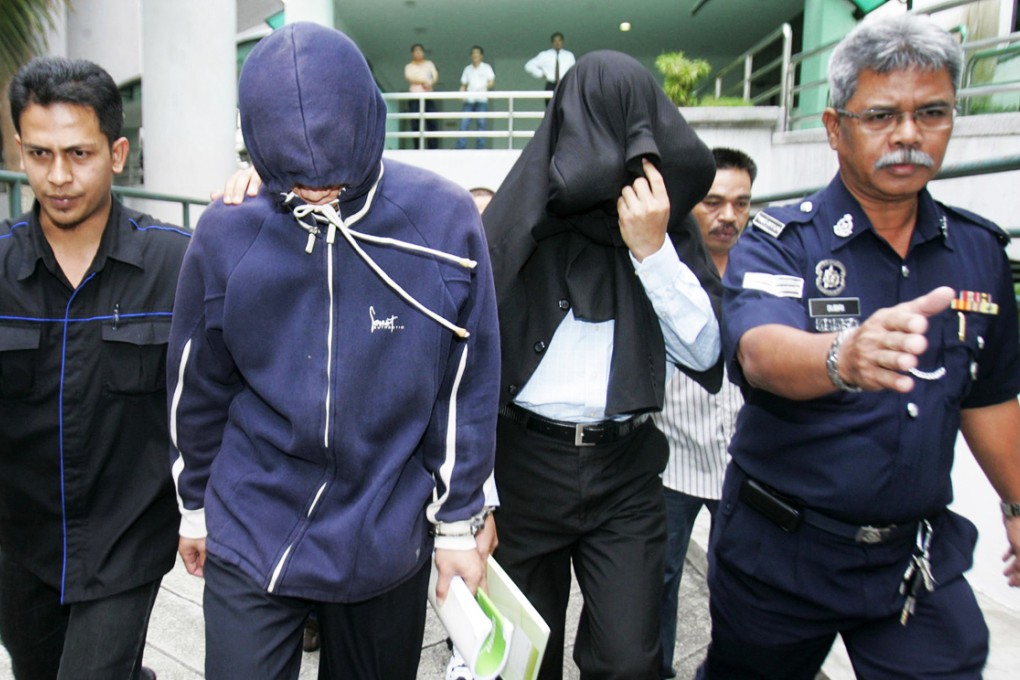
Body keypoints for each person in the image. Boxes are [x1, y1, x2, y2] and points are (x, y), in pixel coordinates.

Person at [700, 14, 1020, 679]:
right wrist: (841, 358)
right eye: (881, 116)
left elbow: (989, 396)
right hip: (781, 556)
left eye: (931, 112)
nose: (908, 135)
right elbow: (759, 350)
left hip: (912, 560)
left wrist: (1017, 504)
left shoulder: (979, 253)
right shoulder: (781, 238)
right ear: (835, 126)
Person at [483, 50, 723, 680]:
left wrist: (652, 252)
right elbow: (465, 364)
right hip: (522, 467)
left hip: (627, 472)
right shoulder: (516, 218)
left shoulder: (672, 231)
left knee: (630, 663)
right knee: (518, 661)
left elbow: (706, 352)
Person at [0, 57, 188, 680]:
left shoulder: (177, 265)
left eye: (79, 154)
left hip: (128, 539)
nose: (58, 176)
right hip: (19, 545)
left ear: (116, 152)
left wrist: (254, 194)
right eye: (39, 154)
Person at [652, 147, 756, 679]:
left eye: (740, 203)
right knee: (660, 581)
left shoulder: (766, 269)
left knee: (740, 585)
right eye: (713, 202)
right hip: (673, 459)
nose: (728, 215)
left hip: (745, 465)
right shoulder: (664, 265)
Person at [456, 46, 496, 150]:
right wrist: (461, 93)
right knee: (464, 123)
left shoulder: (486, 67)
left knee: (481, 123)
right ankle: (461, 146)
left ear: (481, 55)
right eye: (473, 53)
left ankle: (480, 147)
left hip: (481, 99)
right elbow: (463, 84)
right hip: (469, 100)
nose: (475, 55)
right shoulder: (467, 69)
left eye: (477, 53)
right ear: (471, 55)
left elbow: (491, 82)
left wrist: (482, 87)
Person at [405, 43, 440, 149]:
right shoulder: (409, 66)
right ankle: (417, 147)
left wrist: (431, 82)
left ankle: (433, 148)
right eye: (416, 51)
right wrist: (424, 80)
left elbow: (435, 76)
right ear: (412, 53)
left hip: (428, 96)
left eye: (420, 50)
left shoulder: (429, 64)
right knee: (416, 123)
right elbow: (410, 77)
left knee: (432, 122)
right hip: (414, 97)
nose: (418, 52)